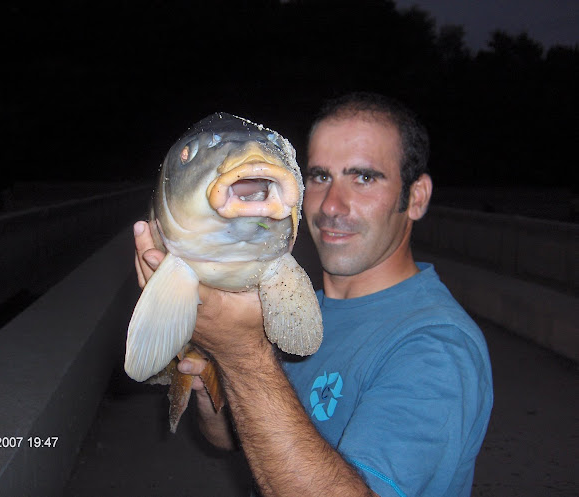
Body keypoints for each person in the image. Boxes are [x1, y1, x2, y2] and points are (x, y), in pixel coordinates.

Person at [133, 92, 493, 497]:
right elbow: (235, 440)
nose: (332, 206)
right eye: (320, 176)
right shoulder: (291, 307)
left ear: (417, 197)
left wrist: (243, 356)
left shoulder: (436, 346)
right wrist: (215, 377)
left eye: (363, 177)